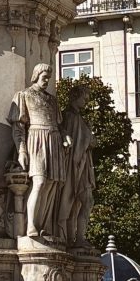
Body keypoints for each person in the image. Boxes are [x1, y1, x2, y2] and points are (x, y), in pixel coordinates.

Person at [10, 63, 69, 241]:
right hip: (36, 139)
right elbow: (18, 126)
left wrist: (65, 136)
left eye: (48, 78)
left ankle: (43, 225)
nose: (46, 81)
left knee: (51, 184)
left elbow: (59, 124)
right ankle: (31, 225)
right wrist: (22, 150)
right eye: (44, 77)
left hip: (54, 140)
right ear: (36, 75)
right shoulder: (25, 95)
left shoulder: (52, 100)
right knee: (40, 182)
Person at [56, 82, 95, 246]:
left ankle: (76, 238)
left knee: (80, 203)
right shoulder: (70, 116)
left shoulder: (77, 117)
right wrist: (90, 138)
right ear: (75, 97)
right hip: (75, 165)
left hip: (81, 165)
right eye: (84, 98)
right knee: (78, 202)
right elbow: (79, 140)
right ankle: (75, 238)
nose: (86, 101)